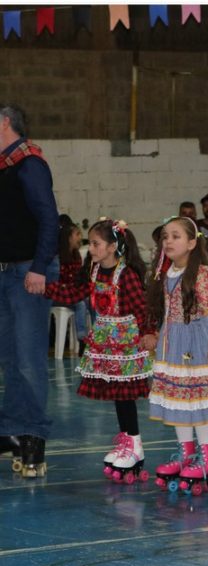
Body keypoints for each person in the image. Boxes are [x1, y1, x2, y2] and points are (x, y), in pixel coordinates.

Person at [45, 218, 153, 482]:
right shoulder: (94, 271)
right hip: (106, 340)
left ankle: (135, 444)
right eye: (90, 244)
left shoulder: (126, 274)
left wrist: (149, 333)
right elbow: (72, 294)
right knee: (117, 394)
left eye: (96, 244)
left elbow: (141, 307)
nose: (91, 248)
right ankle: (127, 440)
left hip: (125, 343)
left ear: (112, 246)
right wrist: (45, 289)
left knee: (125, 395)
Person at [0, 104, 60, 478]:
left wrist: (39, 268)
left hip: (27, 273)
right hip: (5, 273)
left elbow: (49, 219)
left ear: (5, 123)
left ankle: (34, 435)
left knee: (29, 359)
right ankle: (11, 429)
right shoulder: (5, 167)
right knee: (9, 357)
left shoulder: (30, 164)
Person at [146, 216, 208, 495]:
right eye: (165, 236)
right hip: (173, 343)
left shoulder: (200, 273)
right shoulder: (167, 273)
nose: (168, 241)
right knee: (179, 400)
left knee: (197, 401)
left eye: (175, 236)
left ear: (191, 243)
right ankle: (186, 452)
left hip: (195, 344)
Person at [57, 220, 89, 356]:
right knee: (80, 303)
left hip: (72, 292)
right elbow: (57, 282)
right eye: (77, 234)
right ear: (68, 238)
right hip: (58, 294)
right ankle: (82, 339)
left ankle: (99, 336)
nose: (80, 237)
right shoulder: (58, 257)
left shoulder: (76, 256)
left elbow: (78, 279)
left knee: (93, 301)